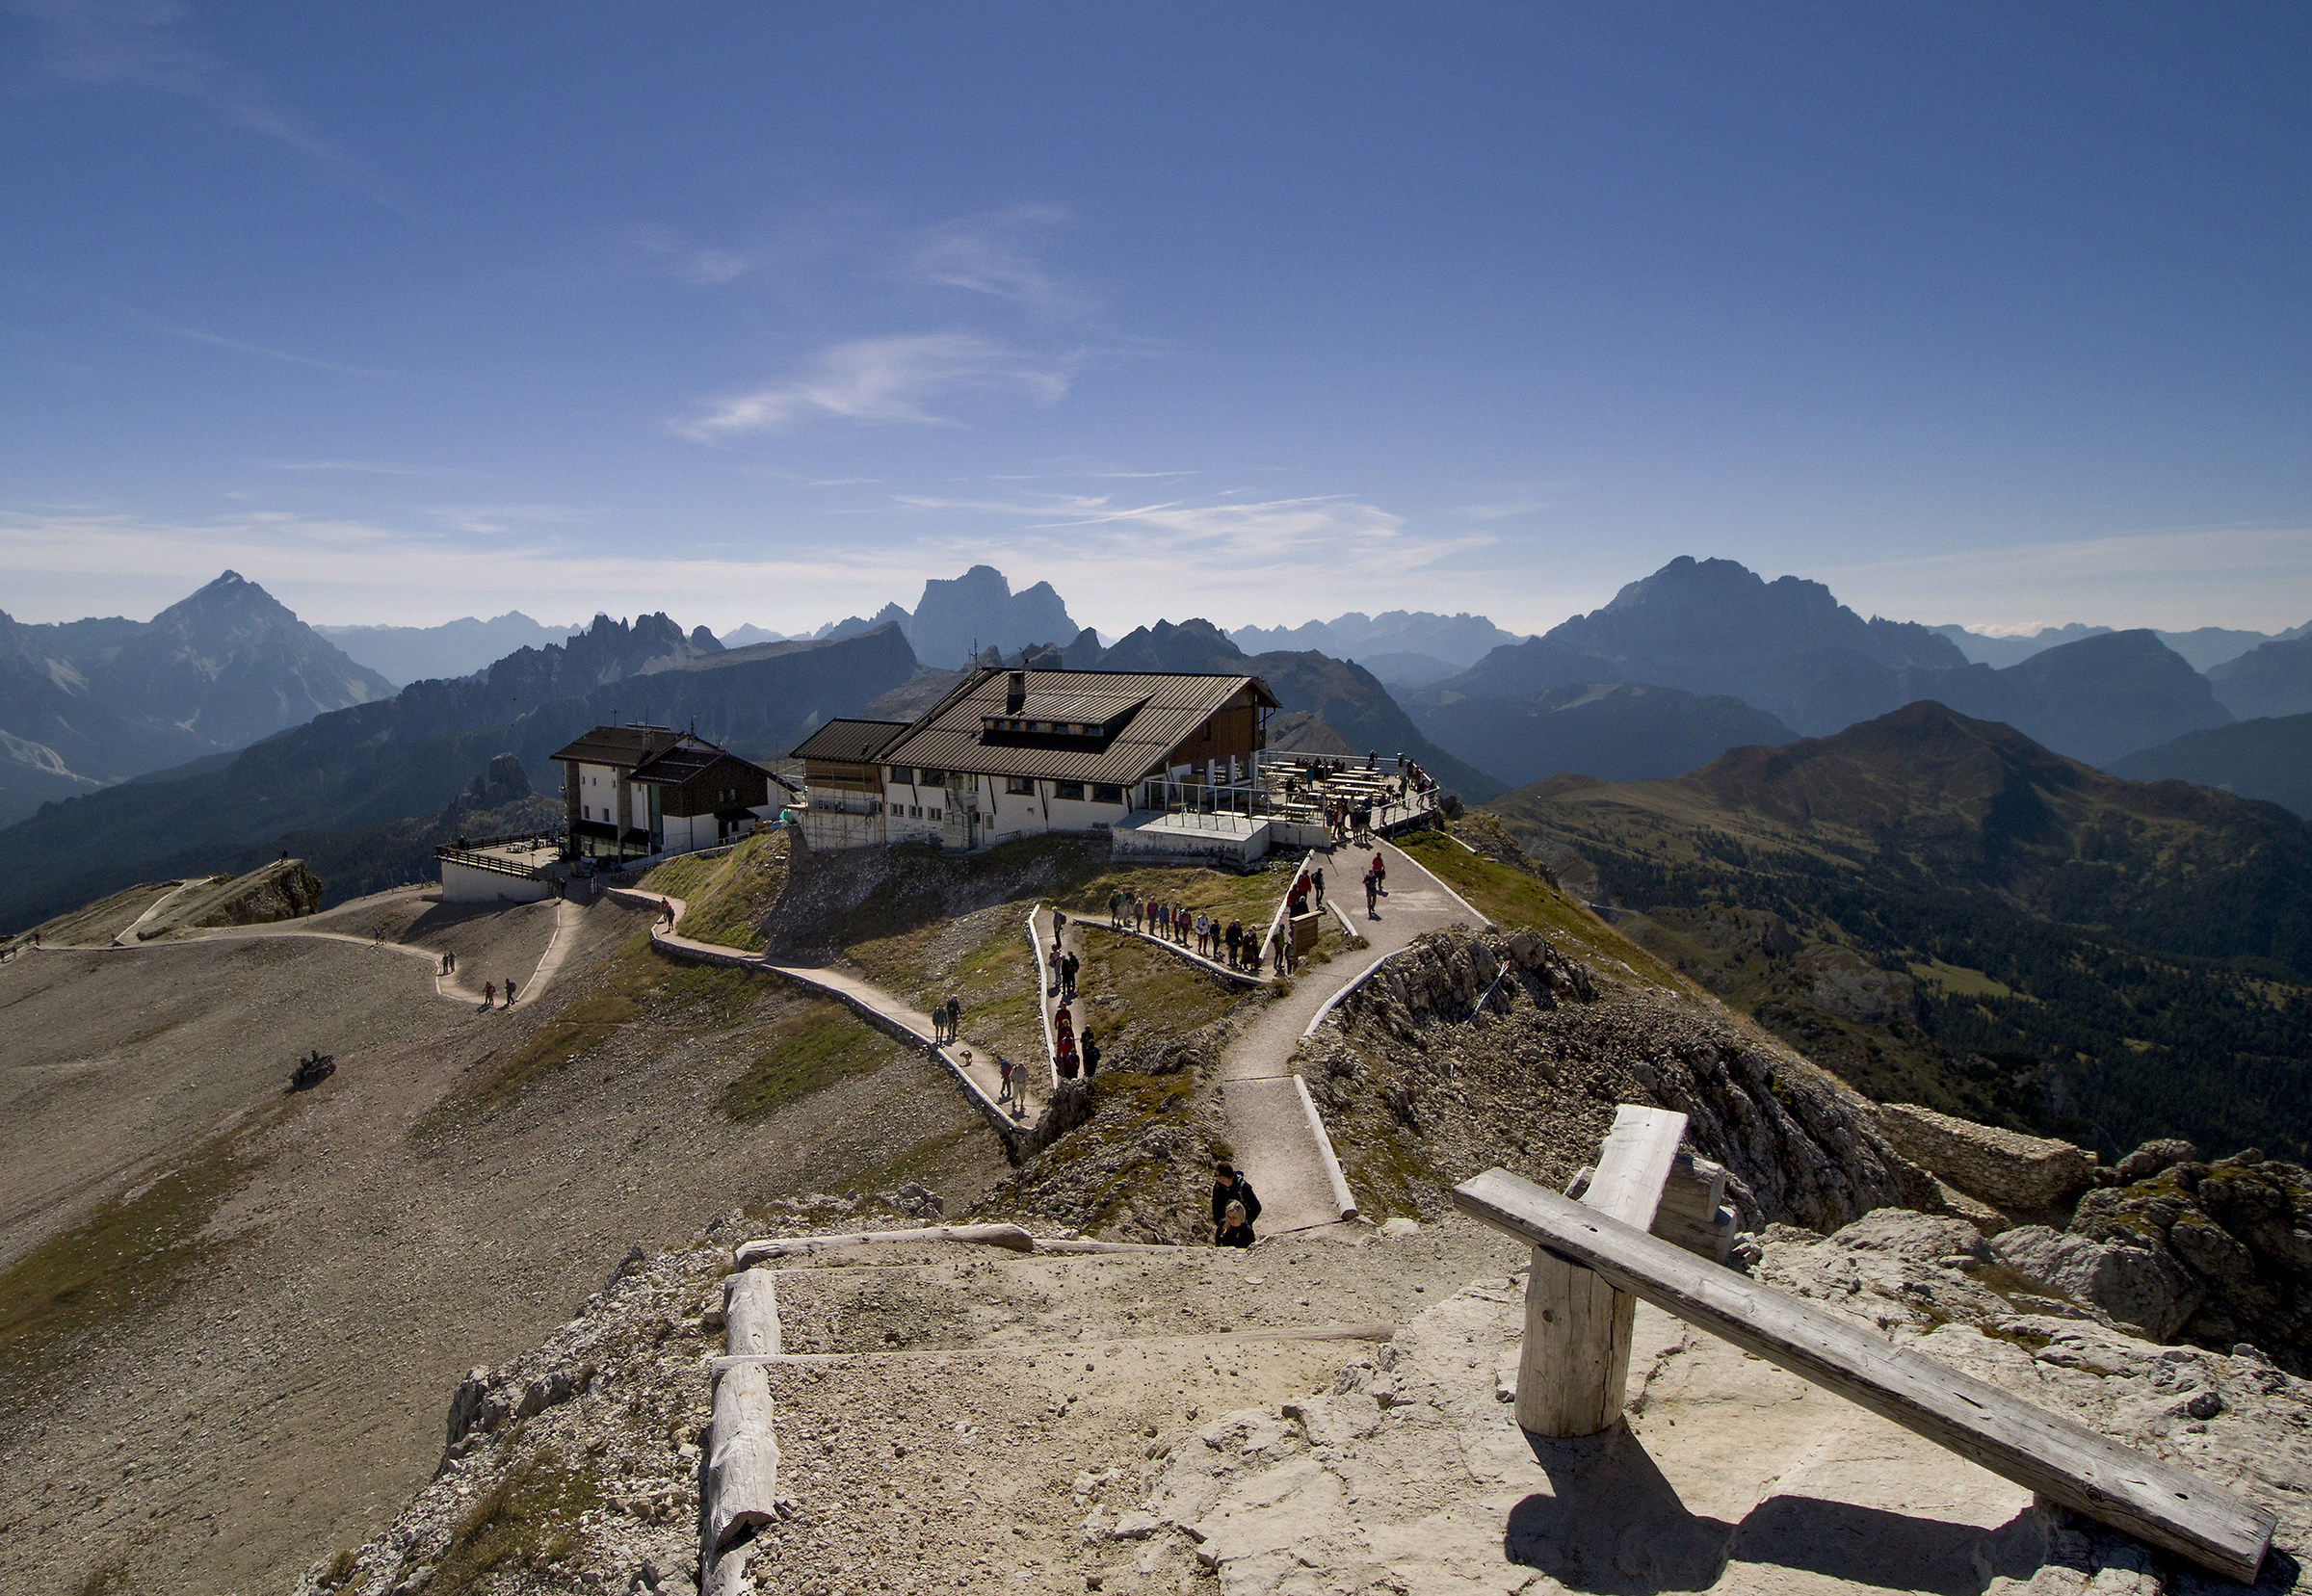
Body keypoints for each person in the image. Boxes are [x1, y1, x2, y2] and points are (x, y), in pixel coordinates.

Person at [1212, 1162, 1261, 1243]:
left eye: (1218, 1176)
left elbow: (1256, 1208)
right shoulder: (1218, 1187)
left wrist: (1243, 1221)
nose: (1217, 1179)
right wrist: (1221, 1223)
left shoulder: (1243, 1188)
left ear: (1223, 1177)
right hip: (1225, 1227)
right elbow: (1215, 1206)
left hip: (1242, 1229)